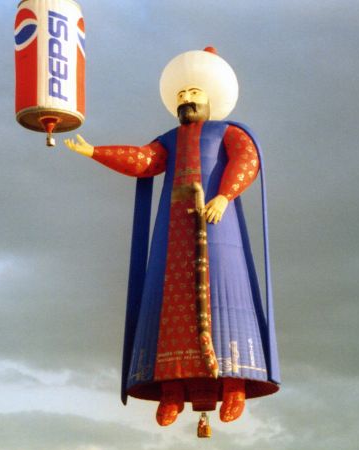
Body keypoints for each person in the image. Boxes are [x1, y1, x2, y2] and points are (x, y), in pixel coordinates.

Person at [65, 47, 279, 426]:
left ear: (210, 96)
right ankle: (171, 393)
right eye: (181, 94)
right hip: (173, 234)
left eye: (193, 93)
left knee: (226, 302)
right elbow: (145, 160)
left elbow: (248, 160)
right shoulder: (169, 139)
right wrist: (94, 151)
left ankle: (233, 388)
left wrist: (225, 196)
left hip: (219, 230)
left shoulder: (228, 132)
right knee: (169, 310)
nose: (186, 99)